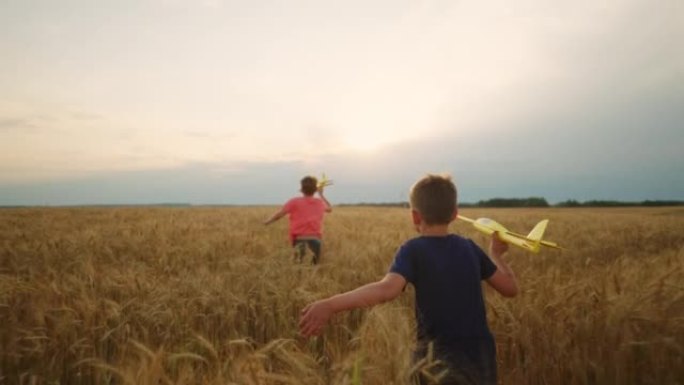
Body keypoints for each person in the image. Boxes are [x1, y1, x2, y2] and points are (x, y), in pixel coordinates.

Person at [298, 174, 518, 384]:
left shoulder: (413, 249)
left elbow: (386, 290)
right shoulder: (470, 247)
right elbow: (510, 289)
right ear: (454, 213)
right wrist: (497, 255)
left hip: (434, 359)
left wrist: (330, 304)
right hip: (481, 356)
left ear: (415, 216)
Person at [264, 175, 333, 264]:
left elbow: (279, 215)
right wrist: (321, 194)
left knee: (299, 267)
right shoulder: (319, 203)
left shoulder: (294, 201)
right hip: (316, 240)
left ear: (301, 189)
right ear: (315, 190)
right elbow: (330, 209)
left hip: (299, 239)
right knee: (313, 269)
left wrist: (267, 222)